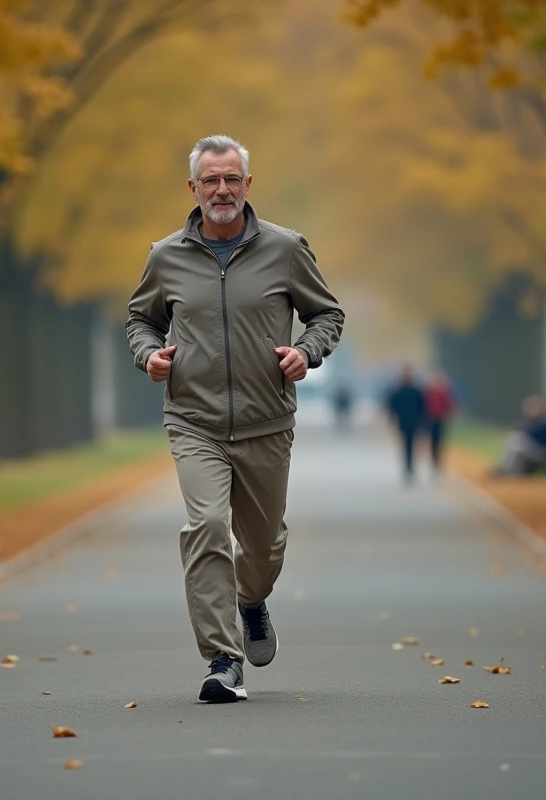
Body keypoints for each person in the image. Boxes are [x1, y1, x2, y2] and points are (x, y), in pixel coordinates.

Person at [125, 135, 344, 703]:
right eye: (210, 180)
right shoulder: (164, 255)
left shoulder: (286, 249)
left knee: (265, 547)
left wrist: (307, 351)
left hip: (266, 420)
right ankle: (223, 660)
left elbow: (327, 313)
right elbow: (140, 320)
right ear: (193, 189)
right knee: (206, 528)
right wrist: (149, 355)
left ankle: (252, 600)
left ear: (248, 184)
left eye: (231, 179)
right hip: (193, 420)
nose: (221, 189)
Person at [493, 395, 546, 476]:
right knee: (514, 439)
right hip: (537, 451)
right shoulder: (534, 422)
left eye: (532, 408)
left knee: (517, 446)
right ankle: (504, 469)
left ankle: (509, 472)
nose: (529, 411)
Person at [385, 364, 425, 481]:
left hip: (413, 421)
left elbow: (421, 407)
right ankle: (408, 465)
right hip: (404, 421)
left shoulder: (415, 391)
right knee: (406, 444)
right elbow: (393, 407)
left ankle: (409, 465)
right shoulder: (399, 391)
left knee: (411, 444)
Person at [424, 369, 458, 473]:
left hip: (441, 418)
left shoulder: (445, 392)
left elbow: (450, 404)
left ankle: (438, 459)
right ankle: (434, 459)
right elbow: (425, 405)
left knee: (440, 440)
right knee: (433, 440)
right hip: (431, 419)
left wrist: (449, 413)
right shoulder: (429, 392)